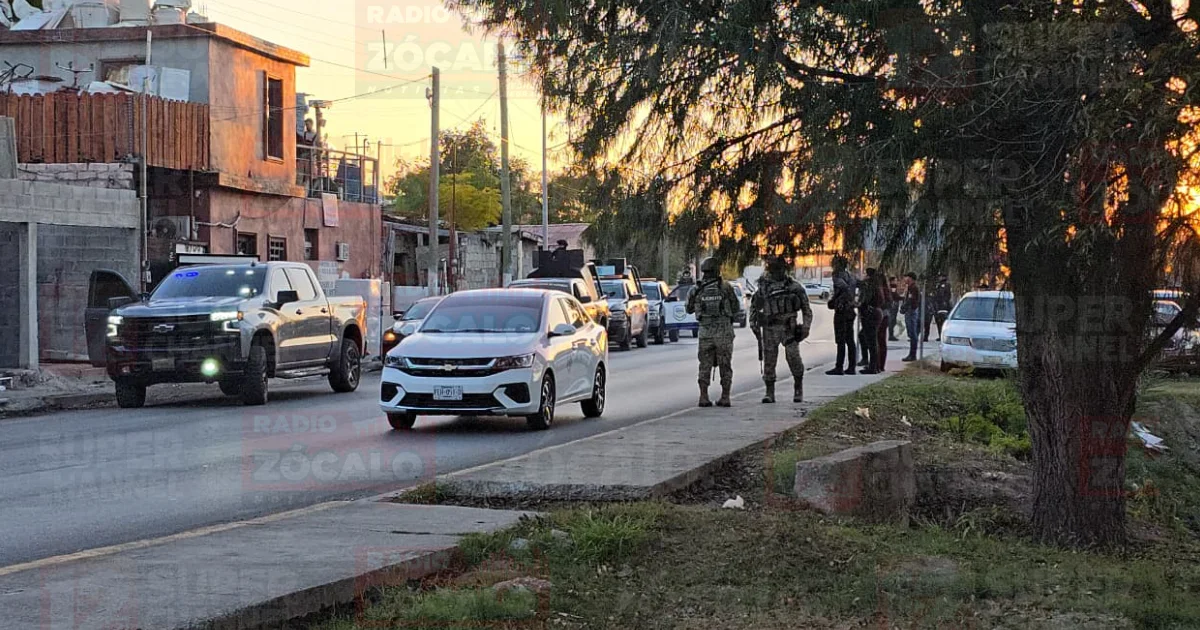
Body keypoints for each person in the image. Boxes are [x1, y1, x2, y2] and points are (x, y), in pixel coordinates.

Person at [751, 256, 813, 403]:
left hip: (788, 328)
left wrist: (806, 327)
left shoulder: (794, 287)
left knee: (793, 358)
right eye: (773, 269)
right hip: (770, 328)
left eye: (778, 269)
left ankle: (798, 388)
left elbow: (806, 309)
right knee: (769, 361)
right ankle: (769, 392)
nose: (776, 272)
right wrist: (752, 323)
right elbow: (754, 306)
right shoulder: (764, 288)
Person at [686, 257, 740, 407]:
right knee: (725, 364)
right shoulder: (726, 287)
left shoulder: (696, 289)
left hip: (705, 333)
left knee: (705, 365)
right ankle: (725, 396)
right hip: (723, 332)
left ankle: (703, 396)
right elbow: (735, 307)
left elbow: (688, 308)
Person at [826, 255, 858, 376]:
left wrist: (836, 301)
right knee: (850, 340)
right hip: (850, 310)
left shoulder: (837, 276)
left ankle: (839, 367)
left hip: (842, 311)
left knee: (841, 340)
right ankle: (851, 366)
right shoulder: (851, 276)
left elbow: (844, 288)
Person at [857, 268, 882, 372]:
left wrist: (859, 304)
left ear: (868, 275)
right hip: (875, 313)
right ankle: (871, 363)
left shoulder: (869, 285)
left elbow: (865, 300)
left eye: (865, 274)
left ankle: (873, 367)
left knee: (871, 342)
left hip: (870, 314)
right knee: (863, 336)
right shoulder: (876, 284)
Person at [901, 272, 921, 361]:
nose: (905, 279)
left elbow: (911, 300)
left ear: (911, 278)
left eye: (906, 277)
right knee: (911, 333)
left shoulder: (913, 288)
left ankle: (913, 355)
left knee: (913, 333)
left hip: (911, 311)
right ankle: (911, 354)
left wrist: (904, 307)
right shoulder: (909, 287)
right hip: (909, 311)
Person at [888, 276, 902, 341]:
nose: (896, 282)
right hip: (893, 304)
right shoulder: (893, 286)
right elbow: (894, 295)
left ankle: (891, 334)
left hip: (892, 304)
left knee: (892, 320)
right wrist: (902, 298)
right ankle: (891, 335)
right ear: (892, 281)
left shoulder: (890, 286)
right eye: (895, 280)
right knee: (892, 320)